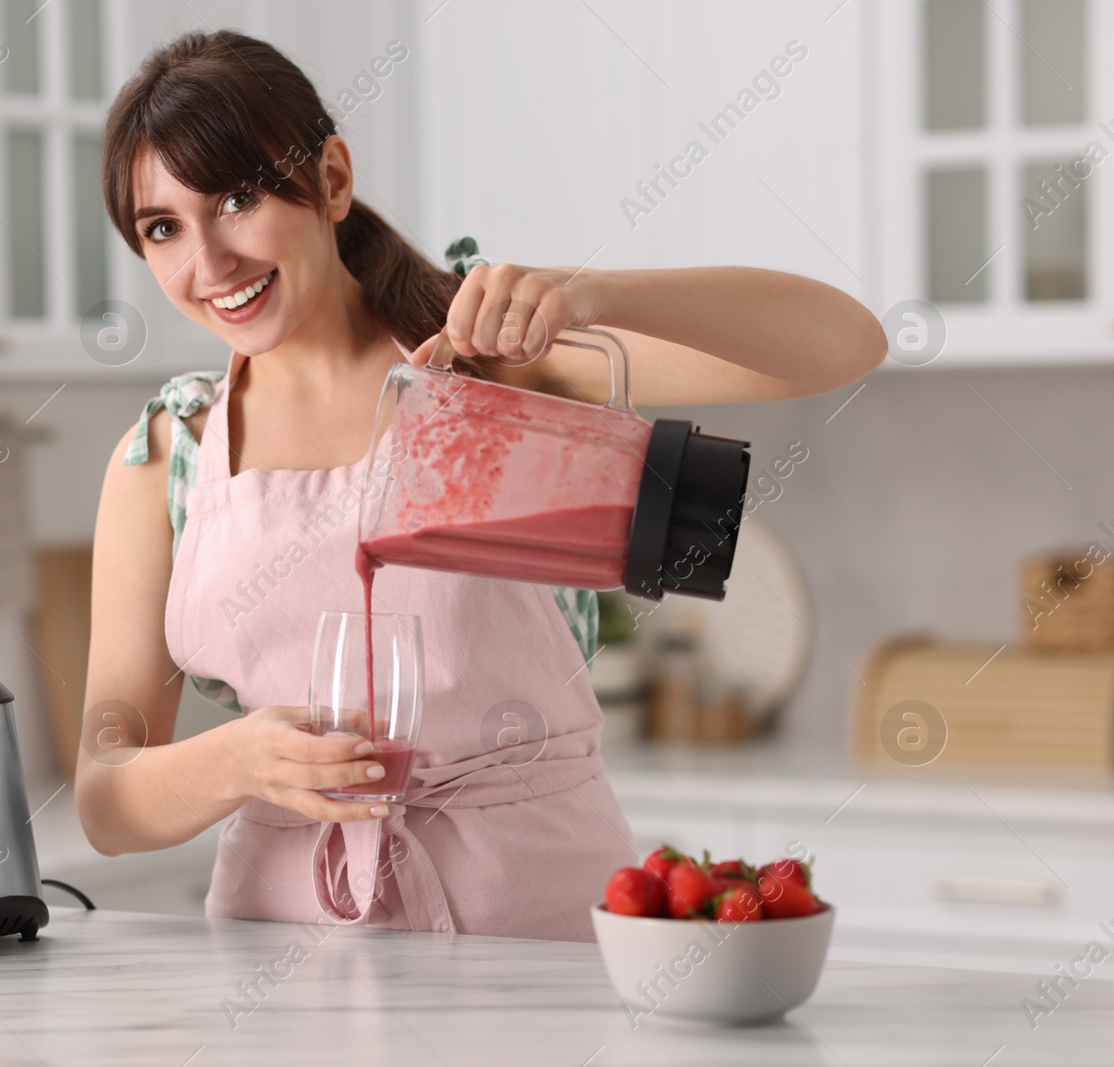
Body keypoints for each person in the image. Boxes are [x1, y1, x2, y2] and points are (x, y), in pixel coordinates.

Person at [74, 30, 885, 940]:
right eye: (162, 228)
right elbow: (106, 795)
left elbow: (845, 341)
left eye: (239, 197)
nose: (208, 263)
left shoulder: (492, 366)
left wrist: (588, 296)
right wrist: (238, 763)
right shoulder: (165, 456)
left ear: (332, 179)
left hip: (532, 922)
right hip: (286, 947)